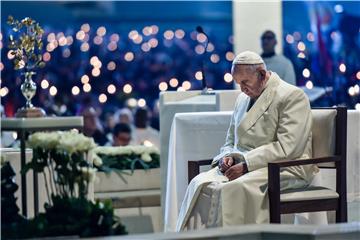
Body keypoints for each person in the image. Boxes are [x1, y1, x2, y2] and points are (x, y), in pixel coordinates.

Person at [175, 51, 317, 231]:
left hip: (284, 167)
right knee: (199, 183)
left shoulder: (292, 96)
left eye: (245, 82)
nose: (241, 88)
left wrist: (246, 164)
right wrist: (227, 157)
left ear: (262, 75)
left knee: (230, 190)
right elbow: (230, 140)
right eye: (238, 83)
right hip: (247, 165)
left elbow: (288, 147)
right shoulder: (242, 99)